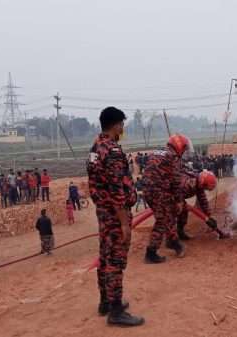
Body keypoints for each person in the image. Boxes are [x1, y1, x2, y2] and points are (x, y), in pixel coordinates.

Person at [87, 106, 143, 326]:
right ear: (115, 125)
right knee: (116, 261)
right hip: (114, 214)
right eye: (122, 124)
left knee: (105, 256)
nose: (123, 128)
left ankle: (105, 302)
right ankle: (116, 311)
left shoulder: (96, 147)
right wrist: (124, 224)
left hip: (103, 211)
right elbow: (116, 190)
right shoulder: (112, 151)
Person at [142, 134, 190, 264]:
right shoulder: (172, 157)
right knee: (162, 220)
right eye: (184, 149)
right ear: (179, 147)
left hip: (148, 190)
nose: (184, 152)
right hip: (158, 191)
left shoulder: (157, 152)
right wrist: (179, 200)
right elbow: (176, 181)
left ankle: (173, 242)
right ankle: (151, 253)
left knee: (168, 216)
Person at [175, 169, 219, 240]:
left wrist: (209, 217)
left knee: (183, 210)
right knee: (173, 211)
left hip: (177, 195)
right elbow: (176, 192)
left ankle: (180, 231)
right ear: (202, 183)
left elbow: (203, 201)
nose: (205, 189)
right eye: (206, 187)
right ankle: (170, 235)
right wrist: (181, 203)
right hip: (166, 194)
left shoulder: (198, 183)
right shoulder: (188, 184)